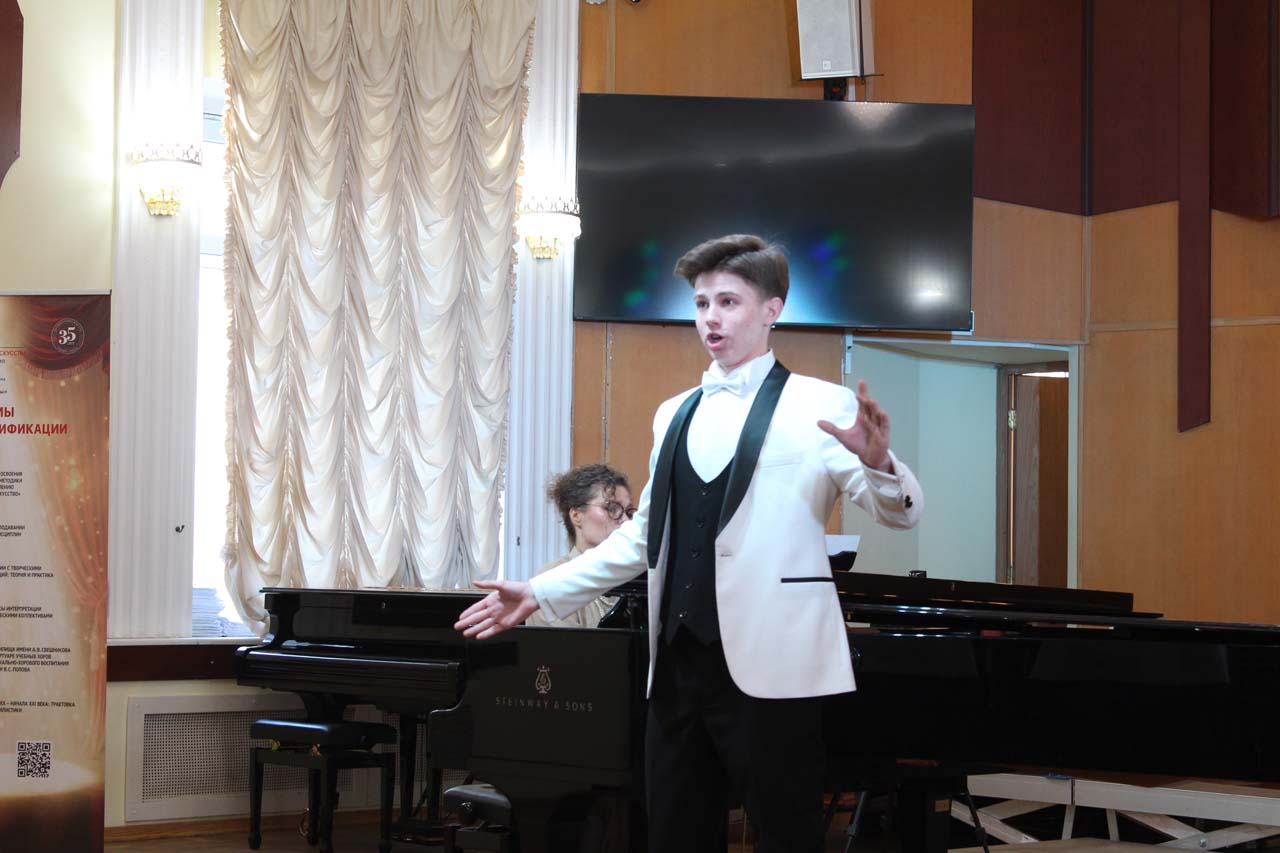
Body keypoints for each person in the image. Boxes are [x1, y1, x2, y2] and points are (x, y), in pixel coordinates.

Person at [457, 234, 923, 852]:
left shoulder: (821, 404)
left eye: (728, 302)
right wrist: (540, 591)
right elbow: (641, 538)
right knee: (675, 833)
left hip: (774, 665)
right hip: (675, 667)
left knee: (787, 835)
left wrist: (880, 464)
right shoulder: (673, 412)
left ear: (772, 309)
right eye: (702, 303)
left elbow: (900, 516)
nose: (711, 318)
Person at [525, 463, 635, 628]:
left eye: (629, 512)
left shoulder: (638, 575)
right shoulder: (552, 578)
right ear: (576, 516)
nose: (626, 521)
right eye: (612, 508)